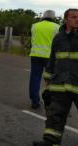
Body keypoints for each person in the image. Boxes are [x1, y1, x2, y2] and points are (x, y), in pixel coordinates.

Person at [33, 8, 78, 146]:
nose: (77, 19)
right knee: (55, 115)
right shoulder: (58, 38)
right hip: (60, 83)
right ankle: (51, 142)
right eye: (74, 17)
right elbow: (52, 58)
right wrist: (48, 76)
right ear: (66, 20)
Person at [29, 10, 60, 109]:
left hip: (35, 55)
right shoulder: (57, 27)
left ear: (43, 16)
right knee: (52, 79)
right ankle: (51, 102)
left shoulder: (35, 26)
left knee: (35, 78)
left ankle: (35, 101)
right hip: (50, 57)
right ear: (53, 17)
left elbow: (33, 39)